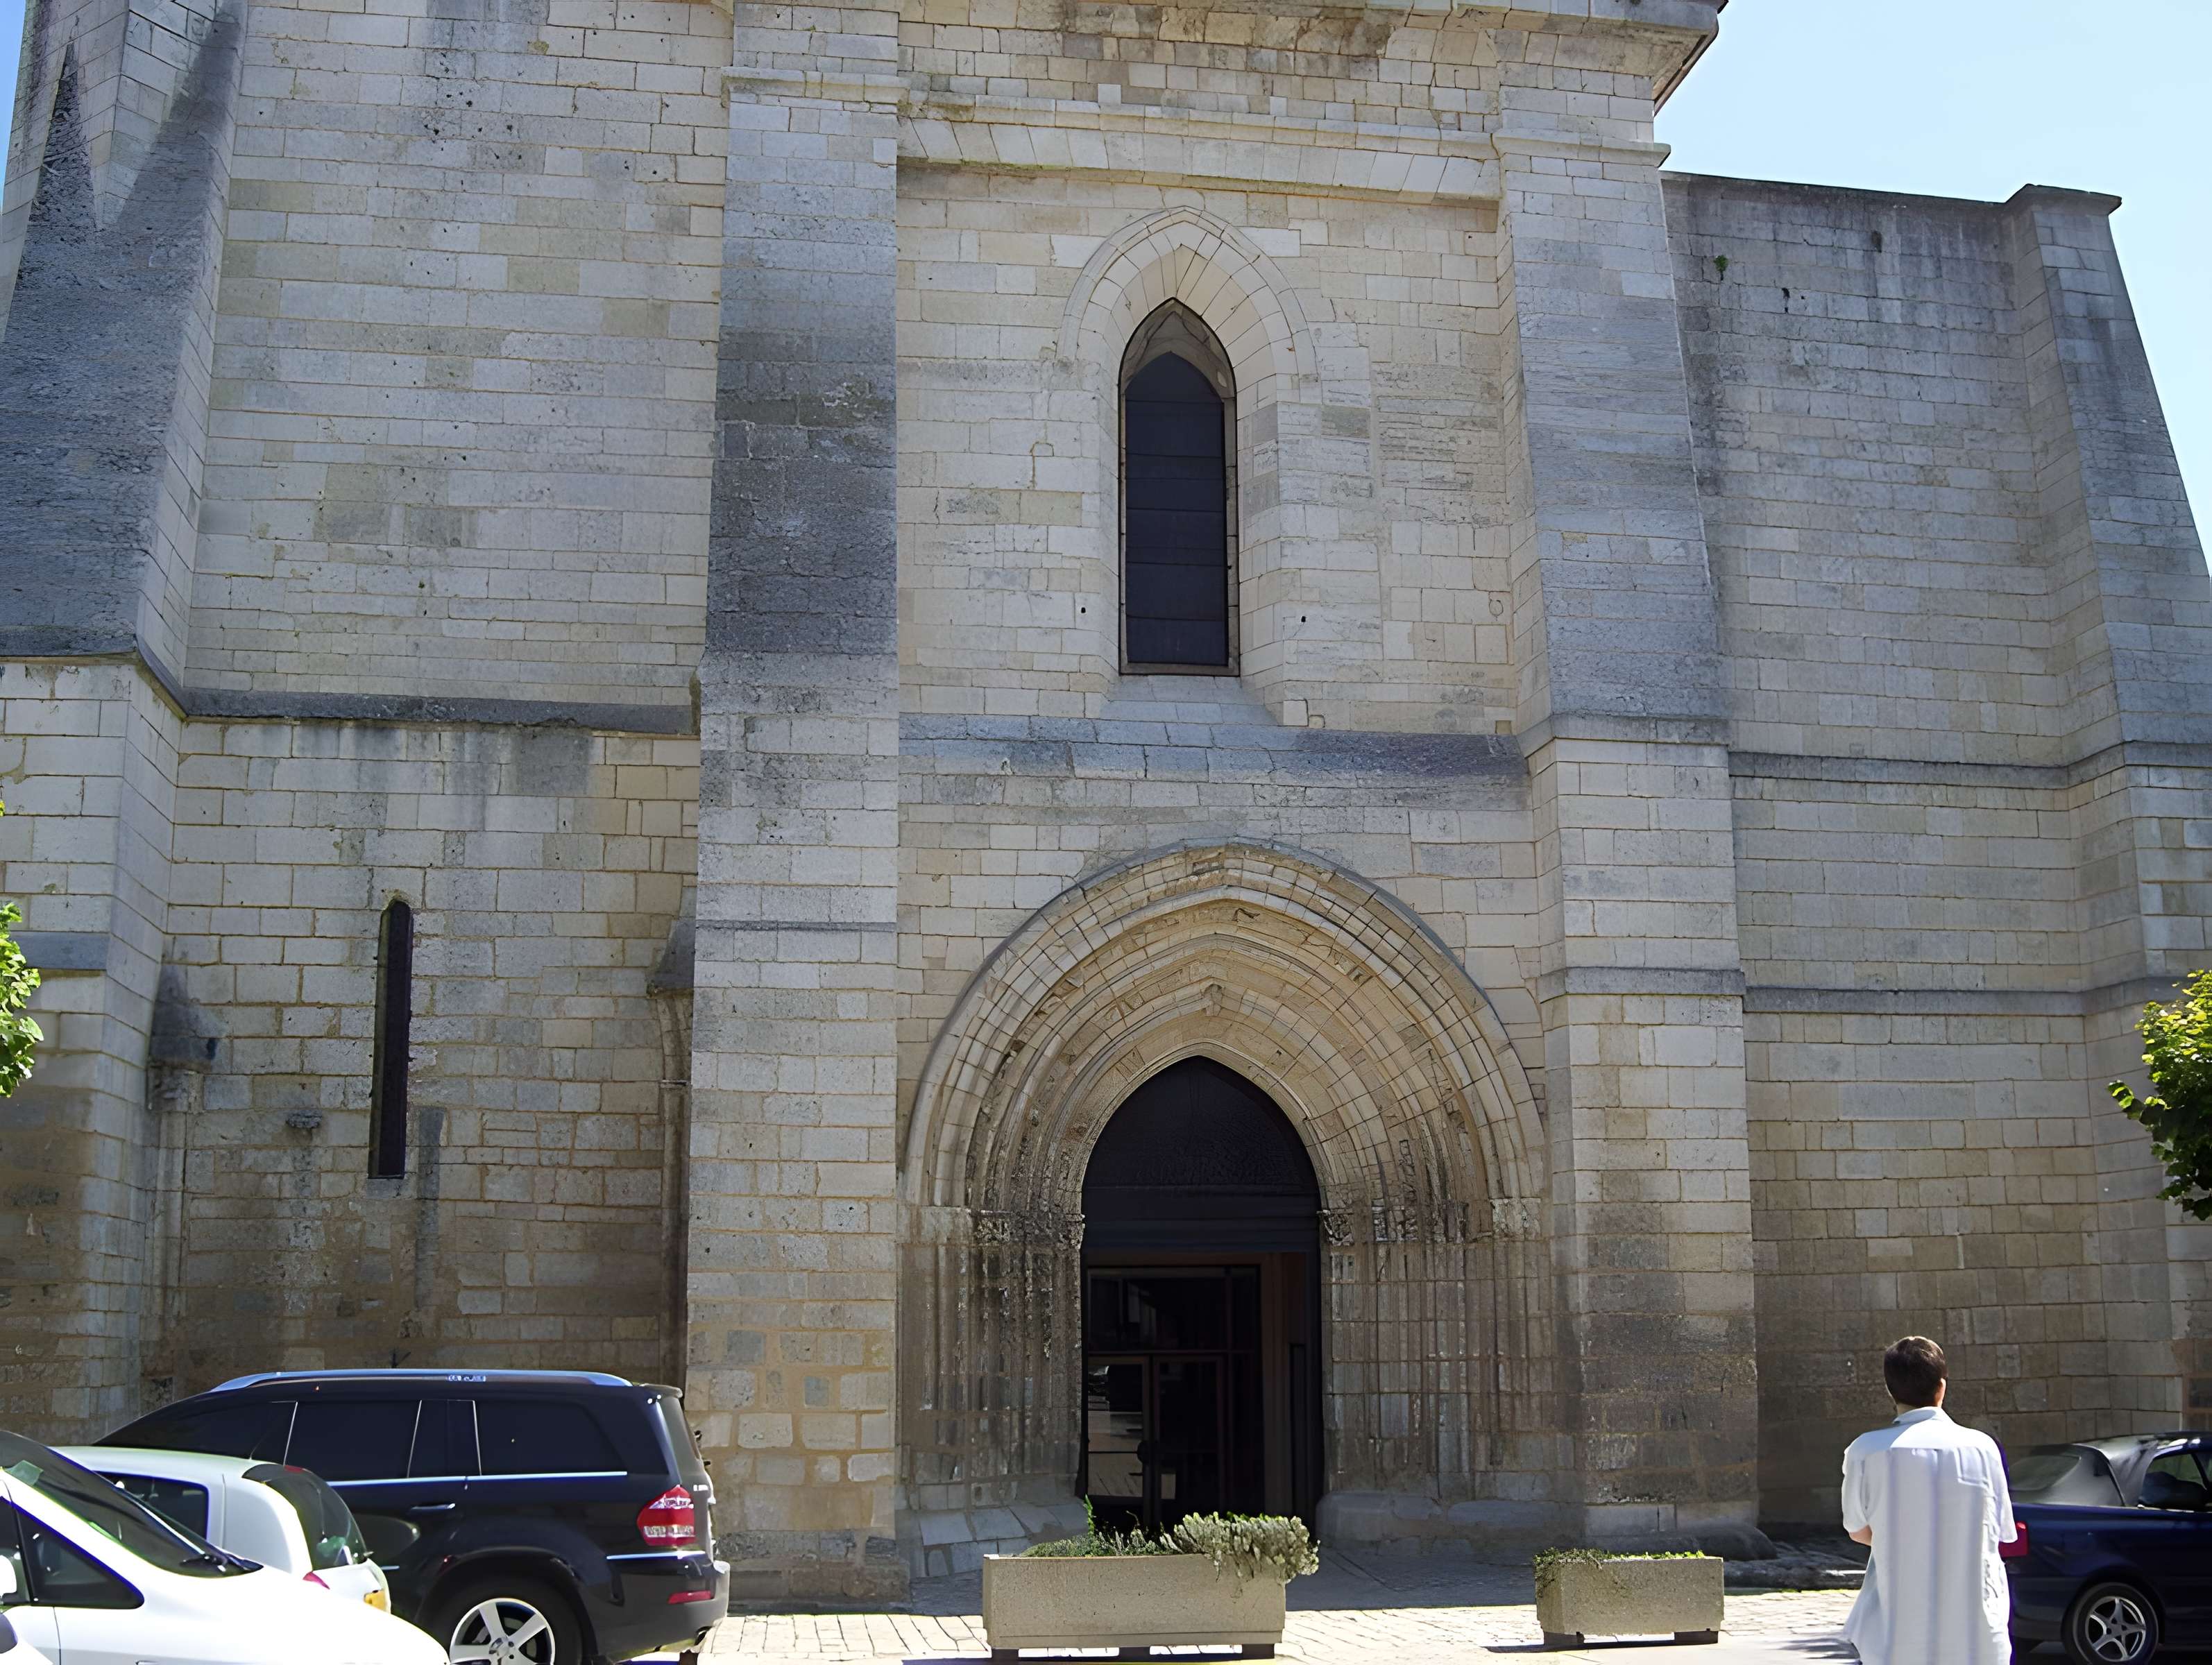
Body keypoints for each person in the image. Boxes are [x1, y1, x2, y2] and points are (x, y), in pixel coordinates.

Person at [1840, 1336, 2016, 1665]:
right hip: (1977, 1634)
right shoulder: (1983, 1448)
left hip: (1897, 1633)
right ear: (1942, 1386)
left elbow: (1858, 1530)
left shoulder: (1866, 1451)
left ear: (1890, 1390)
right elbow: (2000, 1532)